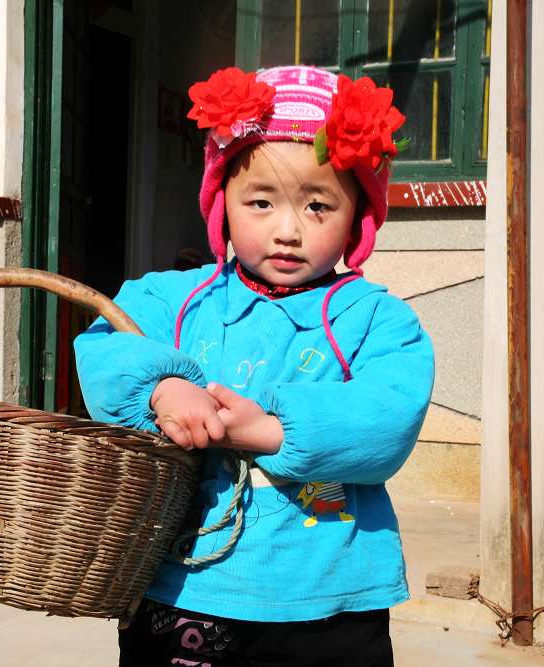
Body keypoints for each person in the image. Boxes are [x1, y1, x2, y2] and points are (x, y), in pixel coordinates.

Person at [74, 65, 434, 667]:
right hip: (183, 587)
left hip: (327, 600)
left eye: (319, 205)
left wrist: (269, 430)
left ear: (358, 219)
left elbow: (388, 417)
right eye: (260, 202)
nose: (288, 230)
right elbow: (107, 344)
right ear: (221, 206)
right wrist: (162, 387)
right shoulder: (169, 299)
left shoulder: (376, 319)